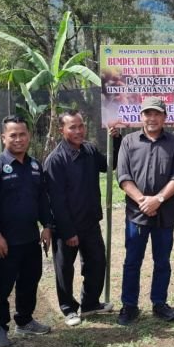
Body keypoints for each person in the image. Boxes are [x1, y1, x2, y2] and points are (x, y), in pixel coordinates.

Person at [0, 116, 54, 347]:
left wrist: (47, 226)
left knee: (30, 280)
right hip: (5, 240)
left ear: (28, 136)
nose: (19, 139)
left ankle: (25, 320)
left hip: (30, 237)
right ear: (4, 137)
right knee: (2, 285)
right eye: (13, 135)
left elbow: (42, 199)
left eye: (22, 134)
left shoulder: (35, 166)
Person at [44, 111, 120, 326]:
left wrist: (116, 140)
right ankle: (68, 308)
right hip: (66, 226)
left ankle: (90, 304)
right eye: (72, 127)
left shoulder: (89, 150)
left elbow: (109, 165)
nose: (78, 131)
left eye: (81, 126)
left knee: (97, 262)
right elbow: (56, 201)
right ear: (61, 130)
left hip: (90, 222)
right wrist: (68, 232)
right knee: (65, 268)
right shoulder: (55, 160)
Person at [116, 96, 174, 326]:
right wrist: (143, 201)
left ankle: (159, 303)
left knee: (162, 261)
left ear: (164, 117)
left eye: (157, 114)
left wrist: (158, 199)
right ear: (141, 116)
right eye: (148, 113)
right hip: (136, 215)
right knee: (132, 261)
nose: (152, 118)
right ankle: (129, 305)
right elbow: (123, 177)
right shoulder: (128, 142)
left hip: (164, 215)